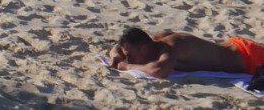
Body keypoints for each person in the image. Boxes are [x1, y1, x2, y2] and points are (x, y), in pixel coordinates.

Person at [109, 27, 264, 82]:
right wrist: (116, 55)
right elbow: (117, 47)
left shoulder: (172, 45)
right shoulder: (153, 41)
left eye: (129, 55)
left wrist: (128, 65)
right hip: (234, 46)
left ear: (142, 48)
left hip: (248, 57)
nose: (127, 57)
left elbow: (158, 71)